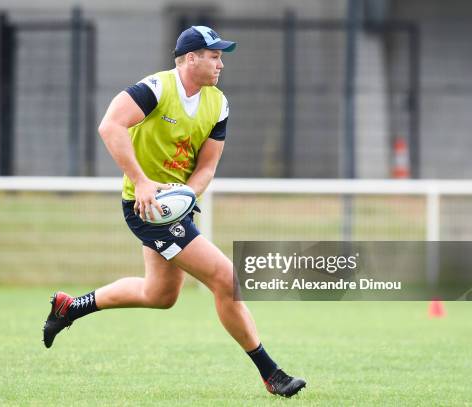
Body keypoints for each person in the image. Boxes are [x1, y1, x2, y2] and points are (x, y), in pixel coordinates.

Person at [43, 25, 306, 398]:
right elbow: (110, 125)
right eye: (214, 56)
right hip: (144, 207)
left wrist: (187, 194)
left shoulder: (219, 104)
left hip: (172, 210)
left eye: (220, 57)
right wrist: (143, 181)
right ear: (190, 58)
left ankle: (70, 308)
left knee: (160, 294)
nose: (220, 64)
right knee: (225, 278)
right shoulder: (156, 89)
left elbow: (207, 167)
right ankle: (272, 374)